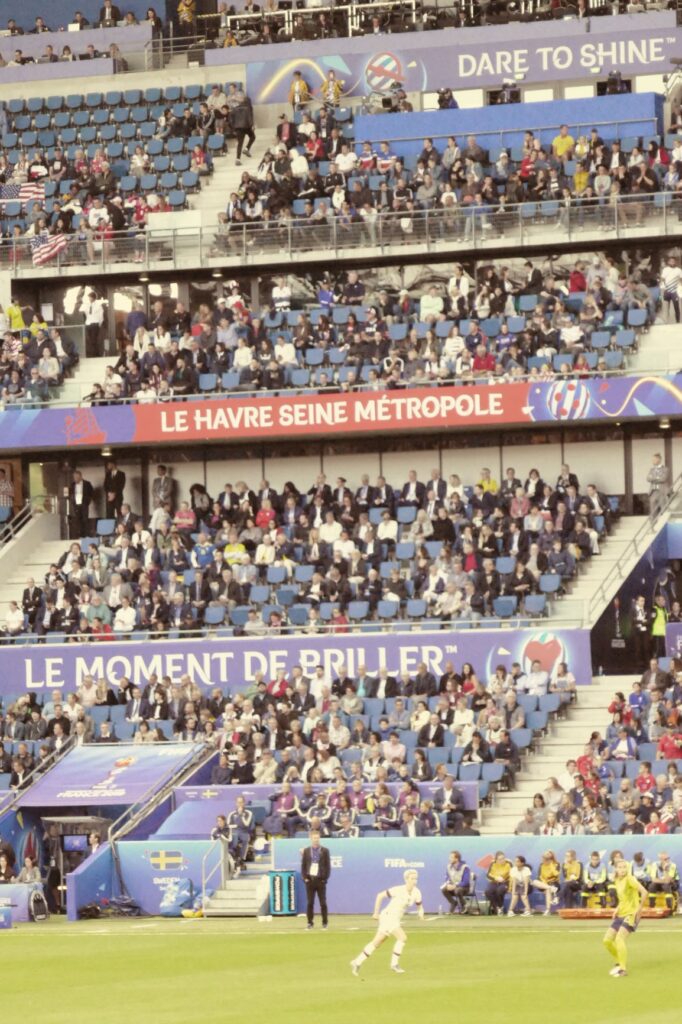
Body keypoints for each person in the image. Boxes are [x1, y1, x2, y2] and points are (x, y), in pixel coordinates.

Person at [351, 869, 424, 976]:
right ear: (406, 879)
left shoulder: (417, 892)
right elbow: (380, 896)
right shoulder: (398, 889)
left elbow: (420, 906)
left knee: (378, 942)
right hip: (388, 916)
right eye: (412, 878)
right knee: (402, 938)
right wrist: (376, 913)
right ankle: (394, 964)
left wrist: (421, 913)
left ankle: (357, 962)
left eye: (415, 878)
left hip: (395, 919)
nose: (414, 881)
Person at [603, 858, 648, 977]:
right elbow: (623, 899)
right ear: (616, 869)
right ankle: (619, 962)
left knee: (619, 939)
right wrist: (617, 909)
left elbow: (644, 892)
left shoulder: (630, 879)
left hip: (631, 914)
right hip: (621, 914)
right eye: (620, 867)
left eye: (624, 867)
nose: (622, 869)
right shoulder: (617, 880)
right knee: (607, 941)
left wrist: (640, 908)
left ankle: (622, 969)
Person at [301, 829, 330, 930]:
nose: (316, 840)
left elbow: (327, 866)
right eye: (314, 838)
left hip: (320, 880)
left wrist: (324, 878)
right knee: (310, 903)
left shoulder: (325, 851)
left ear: (319, 838)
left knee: (323, 903)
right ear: (311, 838)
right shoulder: (307, 851)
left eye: (317, 838)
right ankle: (310, 923)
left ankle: (325, 923)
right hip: (310, 880)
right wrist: (305, 878)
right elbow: (303, 865)